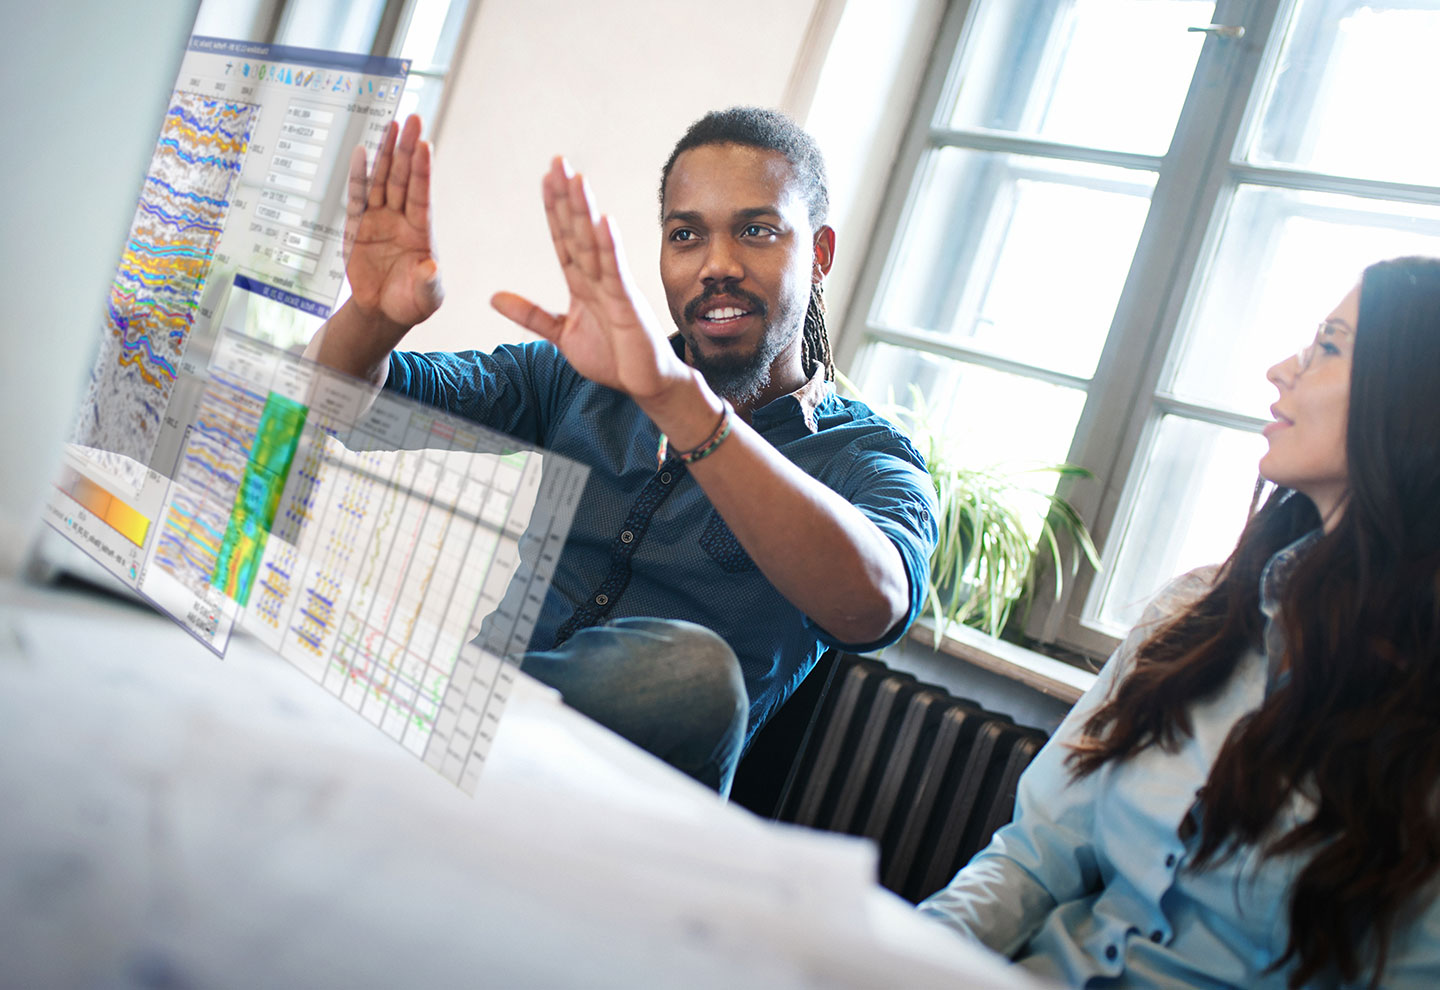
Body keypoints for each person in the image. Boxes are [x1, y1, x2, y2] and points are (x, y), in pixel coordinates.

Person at [307, 108, 937, 797]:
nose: (718, 265)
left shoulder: (867, 457)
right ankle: (448, 717)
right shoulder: (577, 375)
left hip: (618, 814)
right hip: (466, 764)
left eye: (756, 231)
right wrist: (373, 317)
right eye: (686, 235)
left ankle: (435, 713)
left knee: (694, 673)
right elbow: (339, 406)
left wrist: (679, 403)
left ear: (818, 254)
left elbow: (872, 605)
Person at [919, 257, 1440, 987]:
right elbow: (1032, 857)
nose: (1279, 369)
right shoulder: (1195, 613)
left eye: (1329, 346)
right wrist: (900, 956)